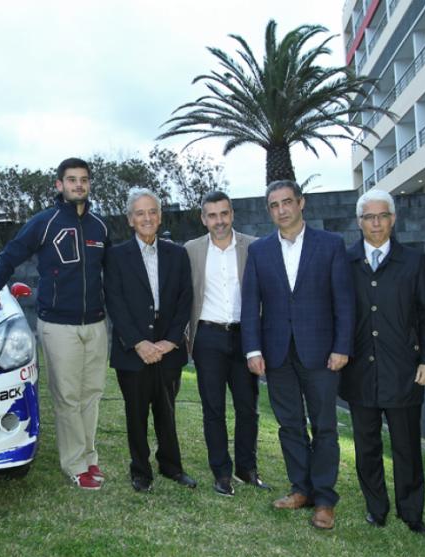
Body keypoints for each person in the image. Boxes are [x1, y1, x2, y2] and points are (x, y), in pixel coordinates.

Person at [0, 157, 110, 490]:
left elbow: (115, 273)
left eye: (83, 179)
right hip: (58, 325)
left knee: (91, 394)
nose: (78, 184)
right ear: (59, 185)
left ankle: (89, 457)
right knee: (67, 396)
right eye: (71, 179)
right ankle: (75, 464)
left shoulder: (100, 227)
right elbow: (10, 253)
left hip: (95, 324)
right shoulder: (45, 222)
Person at [241, 180, 355, 529]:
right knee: (290, 425)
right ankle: (300, 489)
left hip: (321, 354)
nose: (281, 210)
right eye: (274, 205)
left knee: (324, 427)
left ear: (301, 203)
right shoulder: (260, 251)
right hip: (277, 355)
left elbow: (344, 302)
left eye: (287, 202)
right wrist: (253, 349)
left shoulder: (331, 245)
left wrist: (342, 347)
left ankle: (324, 499)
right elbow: (250, 304)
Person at [339, 189, 425, 535]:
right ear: (359, 222)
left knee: (407, 447)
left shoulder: (413, 261)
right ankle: (376, 508)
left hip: (403, 372)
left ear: (393, 220)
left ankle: (412, 513)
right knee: (367, 447)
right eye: (369, 217)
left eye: (382, 216)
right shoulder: (345, 260)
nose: (376, 223)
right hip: (359, 372)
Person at [104, 188, 197, 492]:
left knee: (167, 411)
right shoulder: (116, 256)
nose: (147, 218)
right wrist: (138, 343)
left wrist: (170, 341)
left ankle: (171, 466)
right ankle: (140, 470)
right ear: (131, 219)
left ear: (159, 216)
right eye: (140, 213)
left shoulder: (177, 254)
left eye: (152, 212)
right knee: (136, 413)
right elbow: (114, 302)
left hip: (169, 348)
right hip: (132, 350)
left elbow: (185, 300)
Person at [184, 190, 268, 497]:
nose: (219, 221)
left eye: (224, 214)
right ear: (203, 218)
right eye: (212, 215)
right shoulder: (191, 249)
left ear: (232, 214)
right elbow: (183, 295)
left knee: (248, 408)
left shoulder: (254, 247)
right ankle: (221, 473)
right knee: (213, 409)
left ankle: (248, 469)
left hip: (245, 337)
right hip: (207, 337)